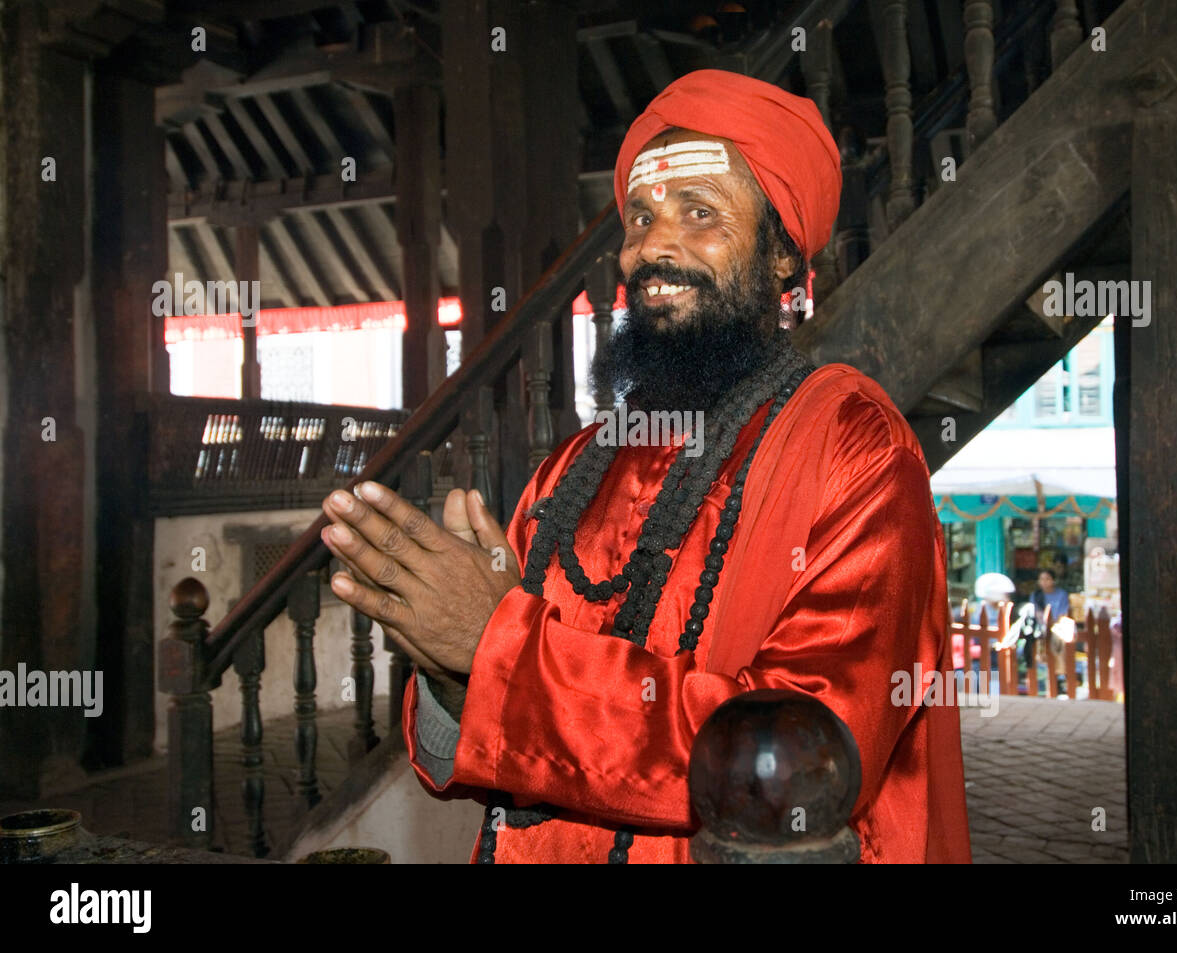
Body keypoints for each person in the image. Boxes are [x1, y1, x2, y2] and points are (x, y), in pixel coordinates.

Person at [318, 70, 971, 863]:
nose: (653, 246)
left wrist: (499, 651)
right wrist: (457, 673)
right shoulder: (568, 474)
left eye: (700, 213)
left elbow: (801, 762)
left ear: (781, 255)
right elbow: (472, 757)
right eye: (640, 216)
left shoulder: (857, 452)